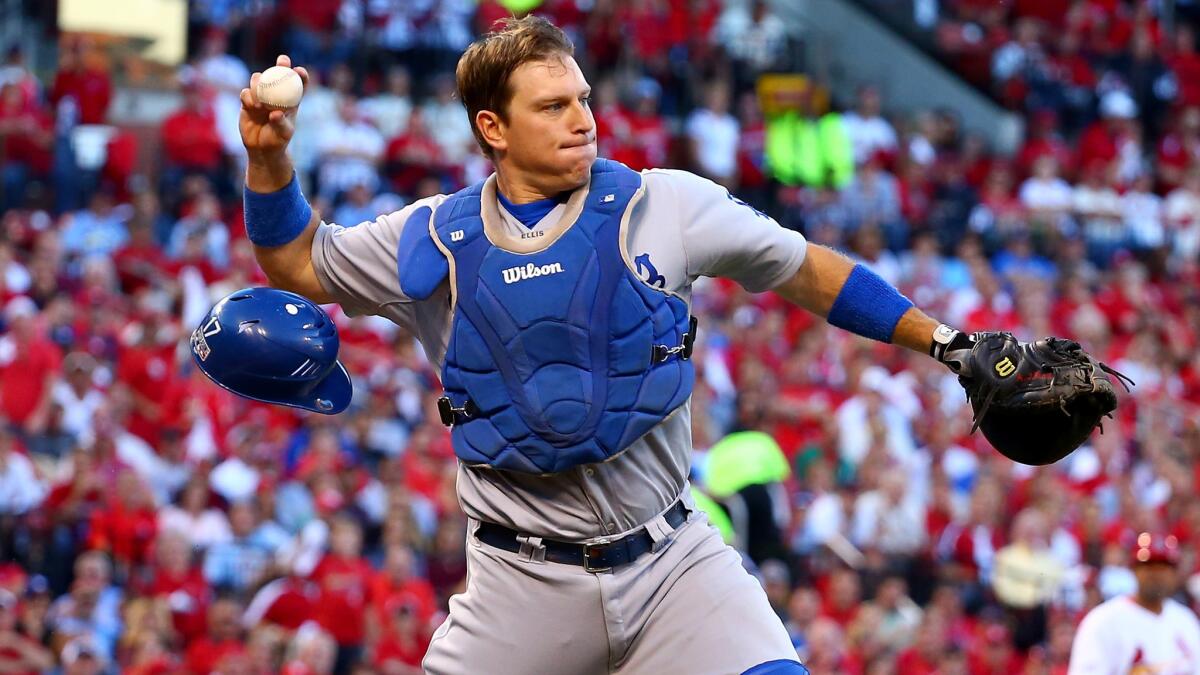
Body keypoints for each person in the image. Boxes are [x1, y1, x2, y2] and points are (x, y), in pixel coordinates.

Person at [233, 16, 1035, 675]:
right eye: (551, 106)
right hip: (522, 586)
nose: (582, 117)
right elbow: (299, 260)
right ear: (493, 127)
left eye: (581, 97)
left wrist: (947, 342)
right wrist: (268, 155)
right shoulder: (432, 240)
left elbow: (805, 269)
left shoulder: (666, 205)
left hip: (672, 561)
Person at [1067, 532, 1200, 673]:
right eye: (1148, 565)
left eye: (1163, 566)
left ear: (1175, 573)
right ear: (1134, 569)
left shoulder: (1186, 620)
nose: (1156, 573)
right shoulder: (1103, 621)